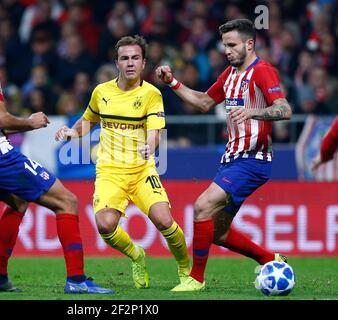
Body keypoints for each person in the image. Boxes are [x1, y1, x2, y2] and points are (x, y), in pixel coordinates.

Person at [0, 16, 113, 294]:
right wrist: (31, 122)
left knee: (17, 203)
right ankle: (76, 280)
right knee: (67, 201)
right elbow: (1, 119)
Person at [156, 18, 292, 291]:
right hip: (231, 160)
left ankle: (195, 279)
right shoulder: (229, 75)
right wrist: (172, 82)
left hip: (253, 160)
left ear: (249, 44)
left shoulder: (263, 72)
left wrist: (253, 111)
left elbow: (284, 109)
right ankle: (270, 259)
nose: (226, 51)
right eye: (224, 45)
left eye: (232, 45)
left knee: (202, 206)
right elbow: (205, 102)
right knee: (217, 231)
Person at [55, 35, 191, 291]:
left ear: (144, 63)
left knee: (164, 220)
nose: (130, 63)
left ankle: (186, 271)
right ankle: (136, 254)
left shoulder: (152, 94)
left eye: (135, 58)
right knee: (105, 225)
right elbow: (88, 120)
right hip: (109, 172)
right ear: (116, 62)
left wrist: (148, 147)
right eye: (124, 58)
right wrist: (73, 133)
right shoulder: (101, 92)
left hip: (141, 170)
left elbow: (155, 134)